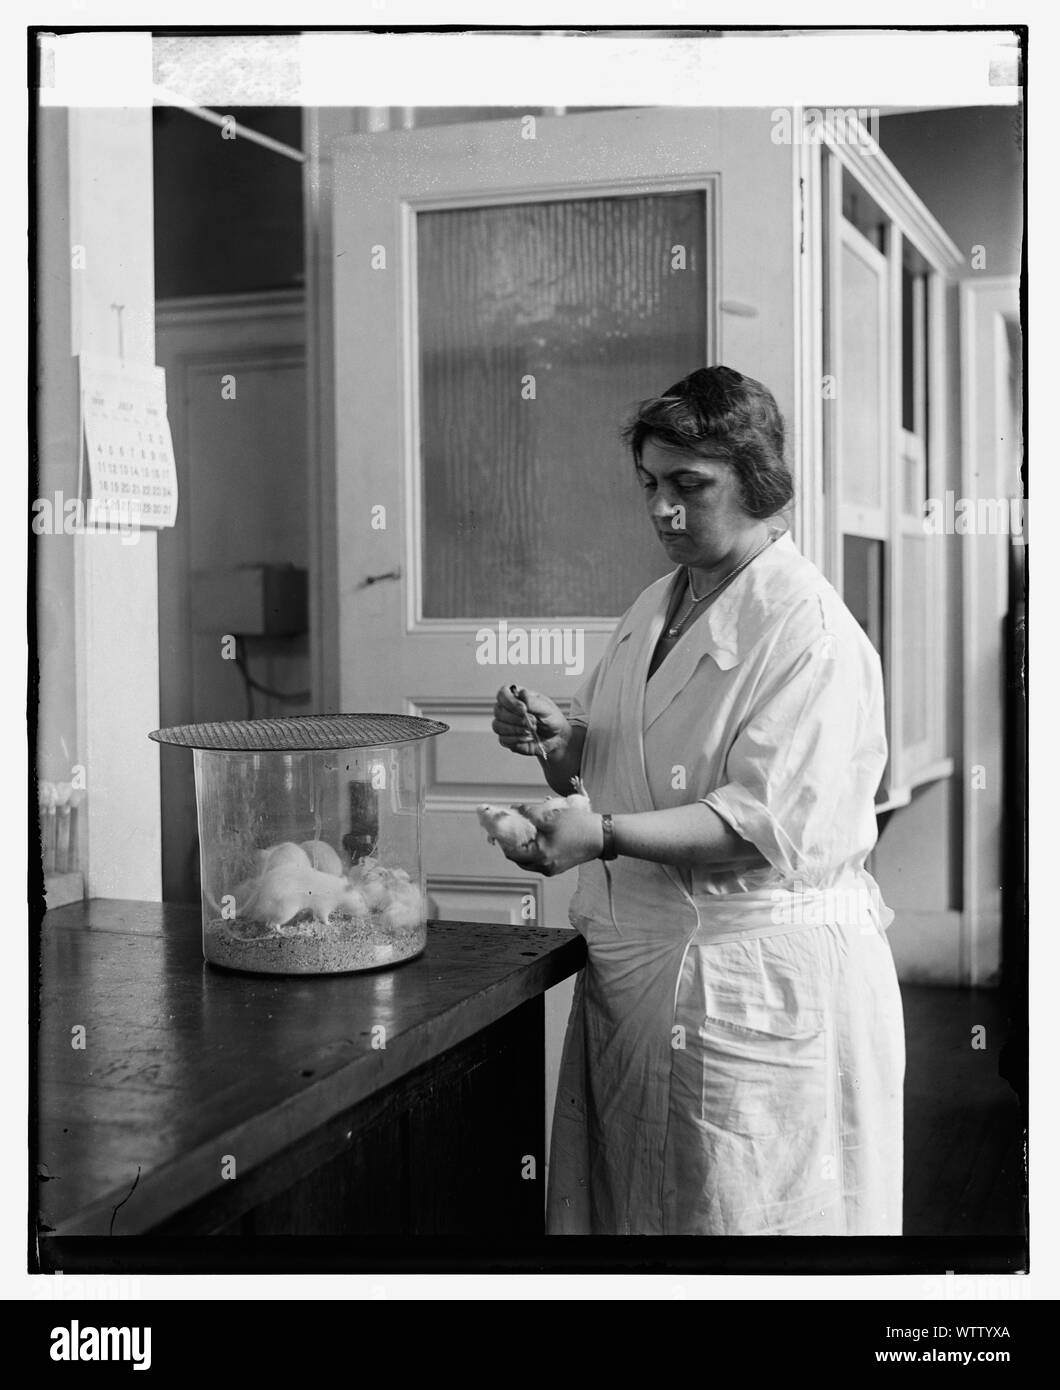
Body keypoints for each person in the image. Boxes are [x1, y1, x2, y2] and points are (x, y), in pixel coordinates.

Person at [490, 365, 905, 1236]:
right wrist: (560, 743)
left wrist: (598, 834)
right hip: (643, 977)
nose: (662, 511)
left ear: (756, 480)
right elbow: (613, 760)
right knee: (638, 1217)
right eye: (651, 484)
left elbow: (758, 826)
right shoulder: (660, 602)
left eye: (689, 485)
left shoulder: (809, 632)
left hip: (752, 979)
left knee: (743, 1223)